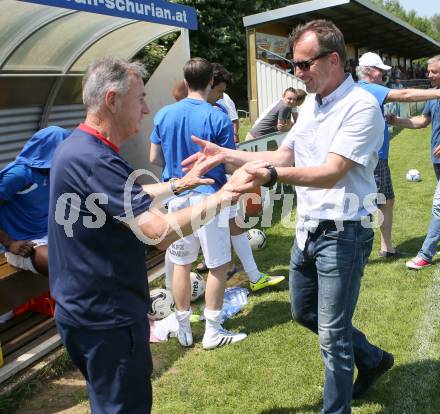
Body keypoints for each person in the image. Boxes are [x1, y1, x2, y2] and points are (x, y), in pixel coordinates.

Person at [183, 20, 394, 413]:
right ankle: (373, 358)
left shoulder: (361, 106)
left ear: (333, 60)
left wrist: (271, 177)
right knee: (303, 312)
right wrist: (227, 156)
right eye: (293, 65)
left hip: (345, 233)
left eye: (304, 64)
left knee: (331, 337)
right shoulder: (312, 103)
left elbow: (331, 171)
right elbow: (283, 155)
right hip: (309, 230)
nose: (297, 73)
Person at [48, 57, 260, 414]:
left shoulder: (80, 149)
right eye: (140, 98)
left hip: (88, 311)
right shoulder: (96, 159)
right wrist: (226, 195)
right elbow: (159, 232)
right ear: (113, 100)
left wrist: (177, 185)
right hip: (106, 318)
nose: (146, 109)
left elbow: (125, 197)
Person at [149, 57, 251, 351]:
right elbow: (230, 163)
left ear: (186, 79)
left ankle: (184, 328)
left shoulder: (164, 114)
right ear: (210, 82)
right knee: (219, 265)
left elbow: (155, 158)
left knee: (182, 263)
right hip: (209, 199)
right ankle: (212, 330)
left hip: (177, 199)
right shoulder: (216, 115)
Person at [356, 52, 440, 258]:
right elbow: (408, 100)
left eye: (433, 71)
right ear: (370, 72)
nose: (384, 76)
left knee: (381, 201)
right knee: (374, 203)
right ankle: (368, 248)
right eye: (381, 71)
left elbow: (420, 121)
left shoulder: (360, 89)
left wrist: (395, 121)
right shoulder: (368, 88)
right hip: (374, 158)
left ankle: (383, 248)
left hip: (374, 157)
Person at [387, 55, 440, 270]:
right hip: (436, 160)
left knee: (439, 207)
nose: (429, 75)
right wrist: (397, 121)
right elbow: (422, 120)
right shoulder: (433, 95)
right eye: (429, 71)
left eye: (434, 71)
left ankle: (425, 254)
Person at [0, 126, 70, 276]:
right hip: (23, 245)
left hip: (50, 234)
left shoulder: (56, 173)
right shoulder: (19, 175)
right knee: (62, 267)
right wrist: (9, 243)